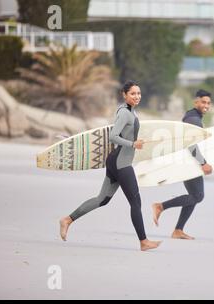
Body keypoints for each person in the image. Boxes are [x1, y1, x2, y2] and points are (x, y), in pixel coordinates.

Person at [59, 80, 161, 251]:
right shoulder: (125, 113)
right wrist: (132, 144)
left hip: (115, 161)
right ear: (125, 94)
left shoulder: (127, 111)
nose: (137, 96)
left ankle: (67, 220)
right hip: (122, 163)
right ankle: (143, 242)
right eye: (133, 93)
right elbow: (113, 136)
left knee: (102, 199)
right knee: (136, 202)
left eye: (138, 93)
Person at [151, 89, 213, 240]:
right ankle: (160, 206)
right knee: (198, 196)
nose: (206, 105)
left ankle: (178, 230)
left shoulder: (193, 116)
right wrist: (203, 163)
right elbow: (190, 144)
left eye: (208, 103)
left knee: (195, 196)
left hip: (188, 162)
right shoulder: (194, 119)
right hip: (190, 163)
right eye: (203, 102)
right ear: (196, 102)